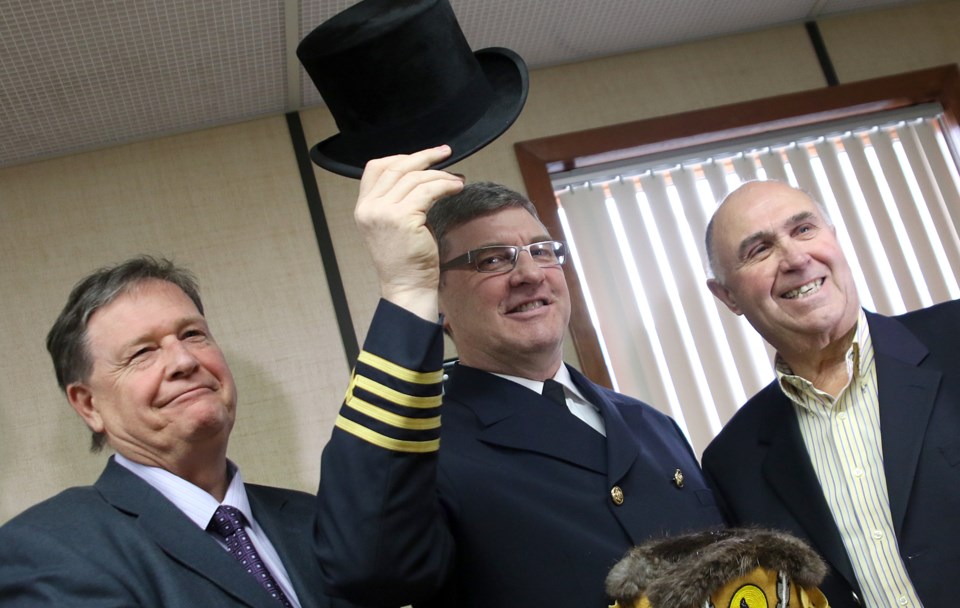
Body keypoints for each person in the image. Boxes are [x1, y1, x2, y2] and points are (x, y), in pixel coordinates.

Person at [314, 146, 725, 608]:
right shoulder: (424, 448)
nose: (529, 273)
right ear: (439, 302)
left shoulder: (652, 424)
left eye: (542, 250)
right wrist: (405, 289)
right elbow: (364, 567)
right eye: (492, 260)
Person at [0, 256, 348, 607]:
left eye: (192, 335)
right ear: (89, 405)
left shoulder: (317, 520)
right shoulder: (48, 546)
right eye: (143, 352)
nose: (184, 361)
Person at [701, 179, 960, 608]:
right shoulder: (733, 462)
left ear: (835, 238)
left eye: (804, 229)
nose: (796, 258)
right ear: (728, 295)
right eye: (759, 250)